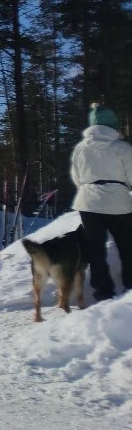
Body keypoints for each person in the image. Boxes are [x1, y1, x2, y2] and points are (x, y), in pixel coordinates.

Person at [70, 103, 132, 301]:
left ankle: (103, 290)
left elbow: (77, 176)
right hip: (119, 203)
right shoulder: (122, 147)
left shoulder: (80, 148)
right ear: (113, 125)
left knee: (96, 249)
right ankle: (130, 287)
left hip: (88, 203)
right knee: (127, 246)